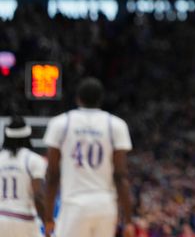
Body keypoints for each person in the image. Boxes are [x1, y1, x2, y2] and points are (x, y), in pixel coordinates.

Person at [42, 77, 135, 237]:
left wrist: (48, 216)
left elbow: (52, 175)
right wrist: (128, 220)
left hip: (74, 204)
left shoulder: (60, 123)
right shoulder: (116, 125)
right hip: (105, 205)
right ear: (101, 99)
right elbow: (120, 176)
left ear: (78, 98)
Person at [0, 116, 47, 237]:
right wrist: (47, 221)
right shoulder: (34, 160)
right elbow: (38, 195)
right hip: (24, 219)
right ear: (28, 136)